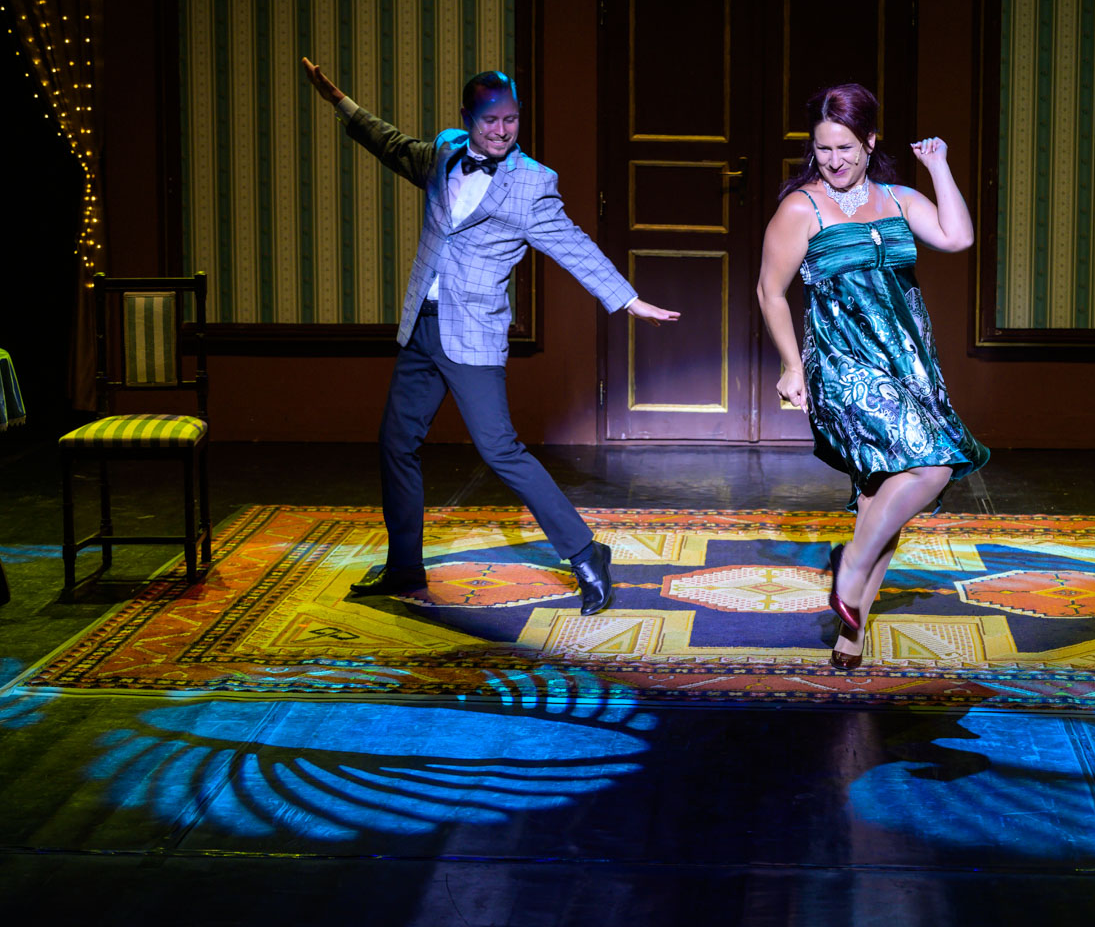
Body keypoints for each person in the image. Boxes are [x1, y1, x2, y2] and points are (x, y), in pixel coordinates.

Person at [301, 58, 679, 615]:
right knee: (396, 443)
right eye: (489, 121)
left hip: (473, 332)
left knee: (499, 449)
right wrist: (341, 103)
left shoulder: (532, 183)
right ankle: (404, 564)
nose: (502, 131)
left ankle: (586, 552)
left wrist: (627, 300)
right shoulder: (443, 153)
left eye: (510, 119)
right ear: (466, 119)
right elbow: (391, 145)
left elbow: (573, 245)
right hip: (422, 325)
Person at [756, 83, 989, 668]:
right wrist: (791, 365)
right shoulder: (801, 208)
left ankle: (850, 628)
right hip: (843, 363)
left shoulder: (899, 198)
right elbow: (770, 292)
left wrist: (938, 167)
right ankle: (854, 565)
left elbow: (958, 237)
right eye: (823, 149)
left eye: (845, 148)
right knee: (933, 465)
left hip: (910, 362)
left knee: (879, 494)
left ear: (869, 141)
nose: (834, 160)